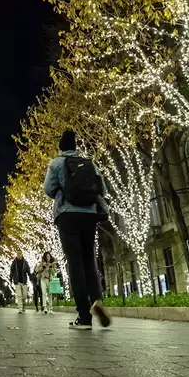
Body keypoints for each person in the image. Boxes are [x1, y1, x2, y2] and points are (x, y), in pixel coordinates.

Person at [45, 129, 112, 330]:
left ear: (61, 147)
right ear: (76, 146)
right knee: (89, 260)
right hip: (89, 214)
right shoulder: (90, 163)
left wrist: (62, 190)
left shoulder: (56, 163)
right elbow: (103, 190)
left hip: (67, 214)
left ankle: (84, 317)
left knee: (74, 263)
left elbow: (48, 189)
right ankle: (97, 299)